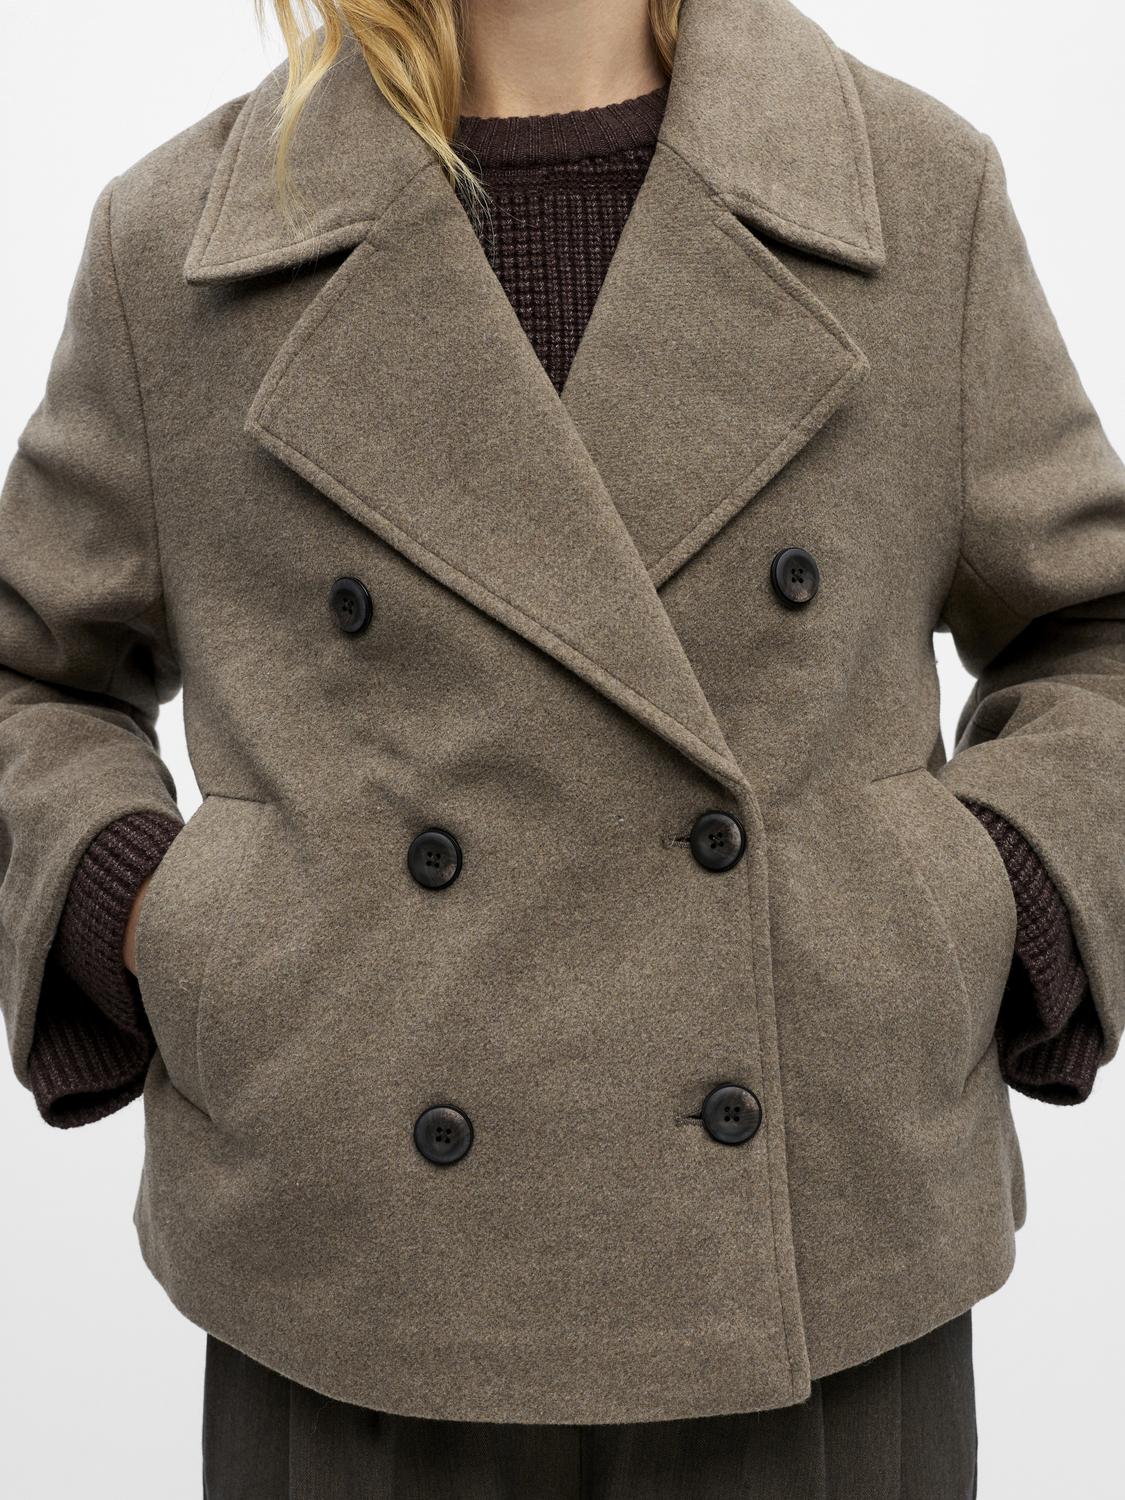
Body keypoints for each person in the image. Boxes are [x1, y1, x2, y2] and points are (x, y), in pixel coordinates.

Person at [1, 0, 1122, 1494]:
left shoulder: (914, 194)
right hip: (355, 1270)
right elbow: (31, 677)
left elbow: (1094, 630)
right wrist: (154, 915)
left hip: (818, 1247)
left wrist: (977, 903)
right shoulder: (180, 246)